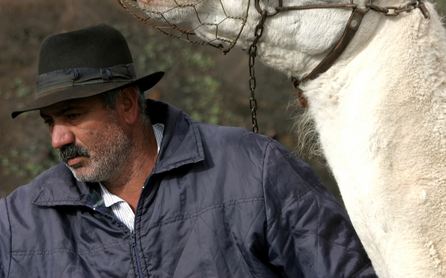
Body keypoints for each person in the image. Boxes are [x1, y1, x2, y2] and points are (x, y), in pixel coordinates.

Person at [0, 23, 376, 277]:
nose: (58, 139)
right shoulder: (18, 224)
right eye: (50, 122)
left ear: (128, 105)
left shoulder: (253, 170)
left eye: (73, 115)